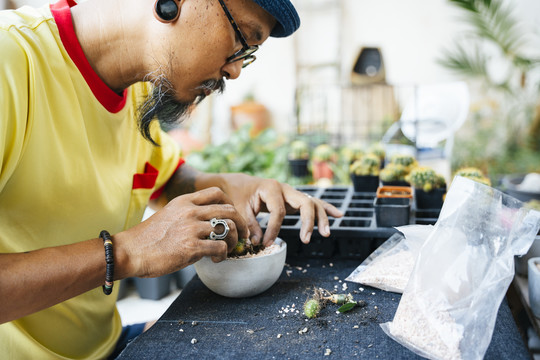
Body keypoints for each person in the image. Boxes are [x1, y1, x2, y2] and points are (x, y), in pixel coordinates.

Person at [0, 0, 343, 358]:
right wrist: (124, 253)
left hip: (105, 346)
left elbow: (167, 179)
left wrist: (230, 186)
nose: (237, 70)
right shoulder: (10, 61)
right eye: (242, 38)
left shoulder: (138, 87)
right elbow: (131, 248)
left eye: (249, 53)